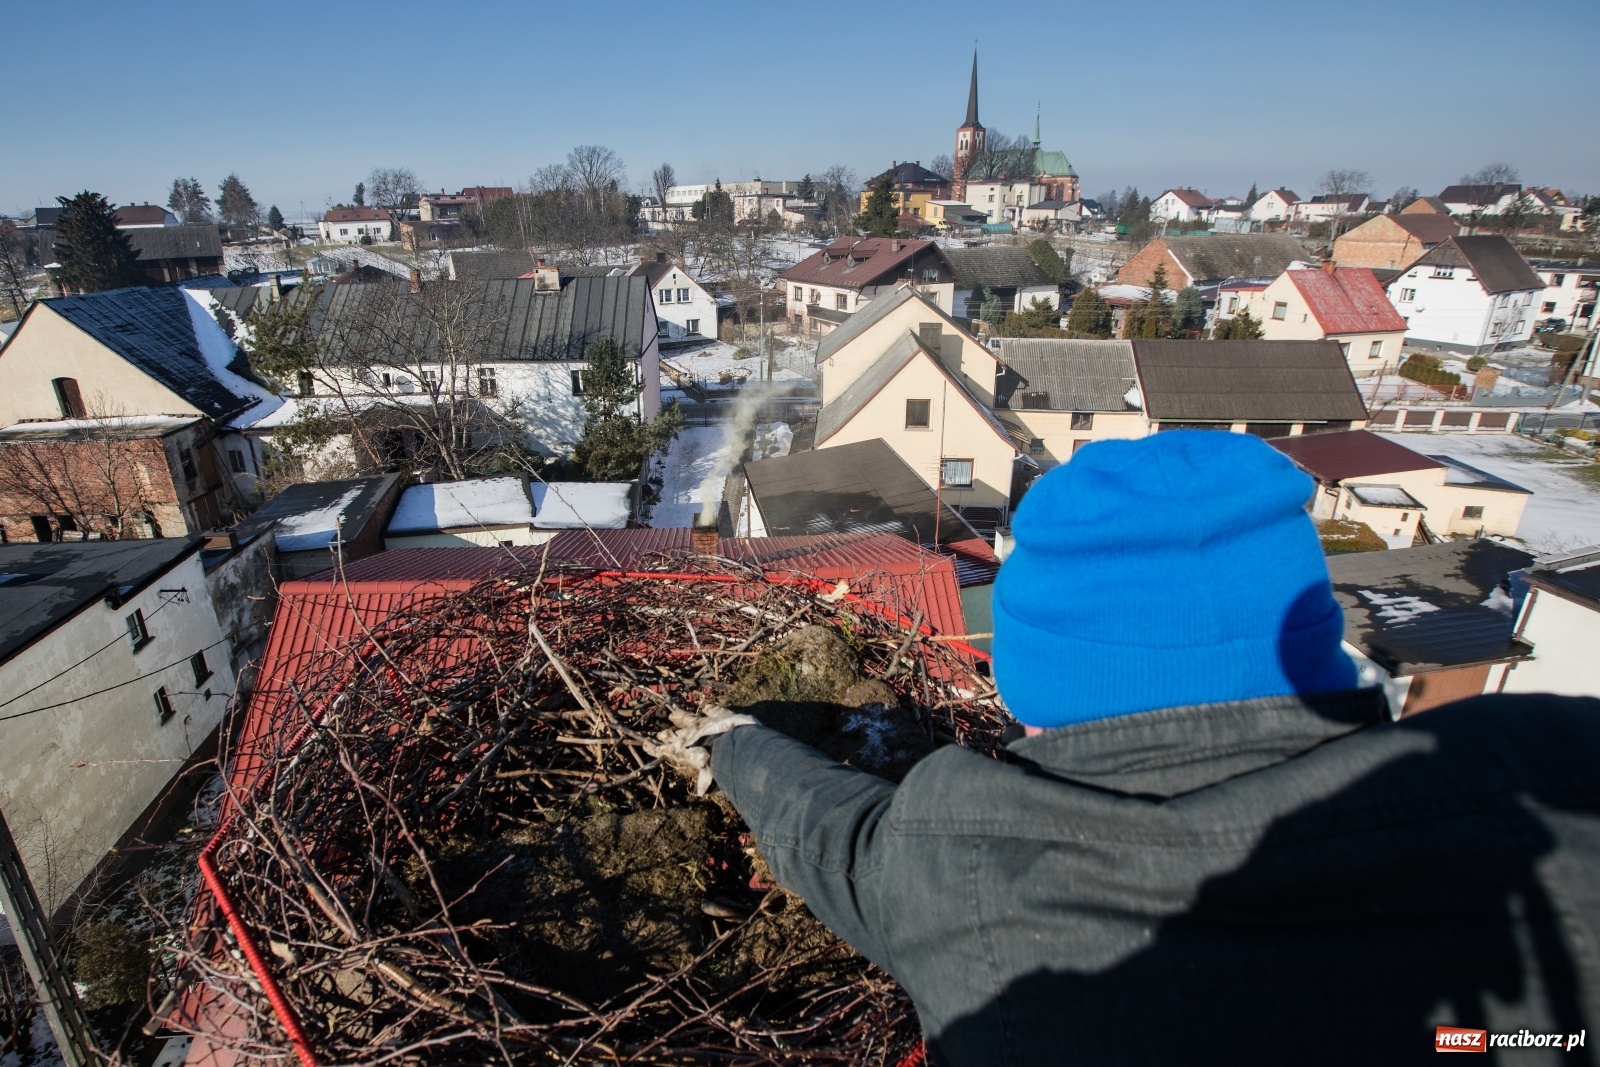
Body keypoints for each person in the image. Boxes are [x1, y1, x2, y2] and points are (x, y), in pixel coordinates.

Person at [659, 431, 1600, 1065]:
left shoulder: (957, 859)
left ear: (1031, 687)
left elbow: (831, 835)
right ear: (1317, 642)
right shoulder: (1554, 772)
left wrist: (737, 747)